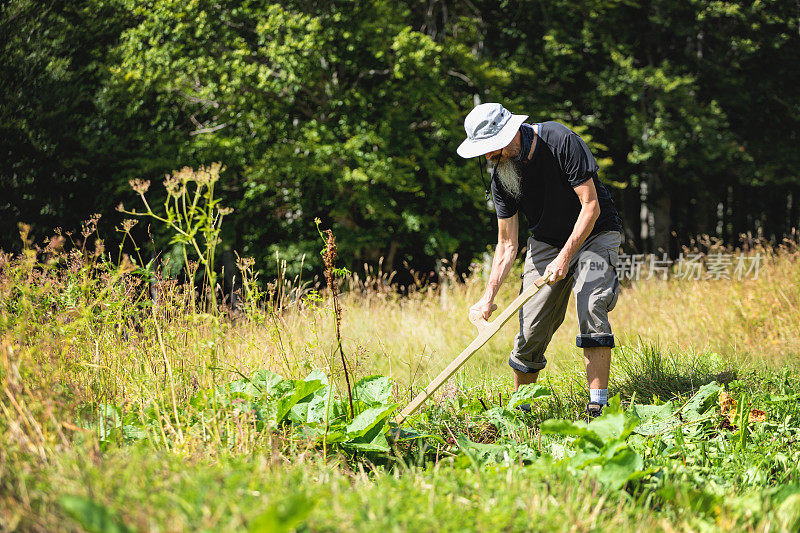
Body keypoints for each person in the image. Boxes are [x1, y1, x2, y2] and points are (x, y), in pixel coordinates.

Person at [457, 102, 624, 420]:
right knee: (531, 328)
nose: (490, 157)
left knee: (591, 303)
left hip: (596, 233)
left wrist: (565, 258)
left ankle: (598, 406)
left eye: (493, 148)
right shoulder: (502, 179)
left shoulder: (560, 140)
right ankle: (521, 411)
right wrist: (487, 299)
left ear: (511, 133)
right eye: (485, 151)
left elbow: (590, 206)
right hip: (546, 242)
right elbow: (507, 244)